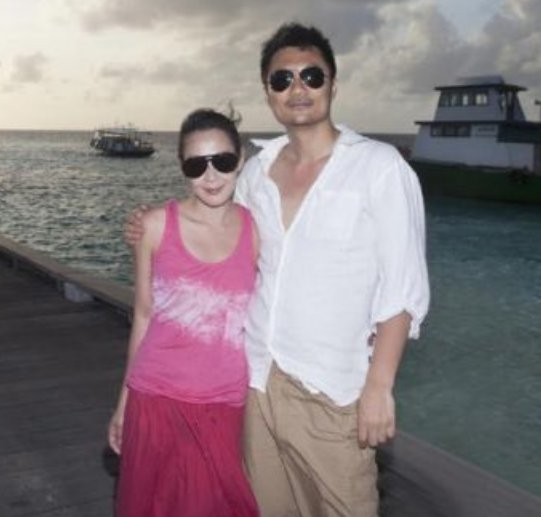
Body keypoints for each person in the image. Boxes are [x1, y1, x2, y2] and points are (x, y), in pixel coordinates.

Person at [126, 22, 429, 517]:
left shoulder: (379, 168)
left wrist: (379, 386)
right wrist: (151, 222)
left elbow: (402, 288)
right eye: (282, 79)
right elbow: (216, 220)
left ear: (333, 83)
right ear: (268, 93)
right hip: (256, 387)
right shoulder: (256, 173)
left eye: (312, 75)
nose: (298, 88)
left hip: (330, 391)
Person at [109, 108, 259, 517]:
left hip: (223, 404)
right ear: (182, 168)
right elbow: (143, 316)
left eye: (222, 161)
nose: (211, 177)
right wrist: (123, 403)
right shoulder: (155, 226)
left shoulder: (257, 231)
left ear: (241, 159)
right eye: (197, 165)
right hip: (155, 397)